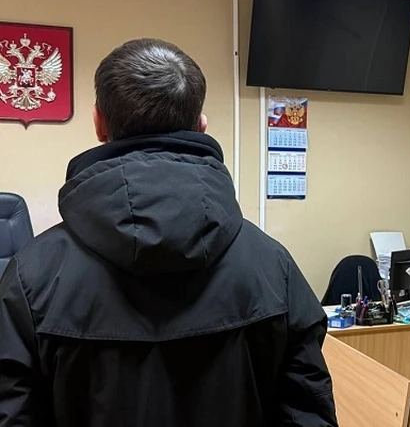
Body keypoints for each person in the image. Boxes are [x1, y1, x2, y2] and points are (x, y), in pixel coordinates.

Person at [0, 38, 338, 427]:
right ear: (201, 125)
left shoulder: (31, 279)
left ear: (98, 123)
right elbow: (308, 413)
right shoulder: (275, 269)